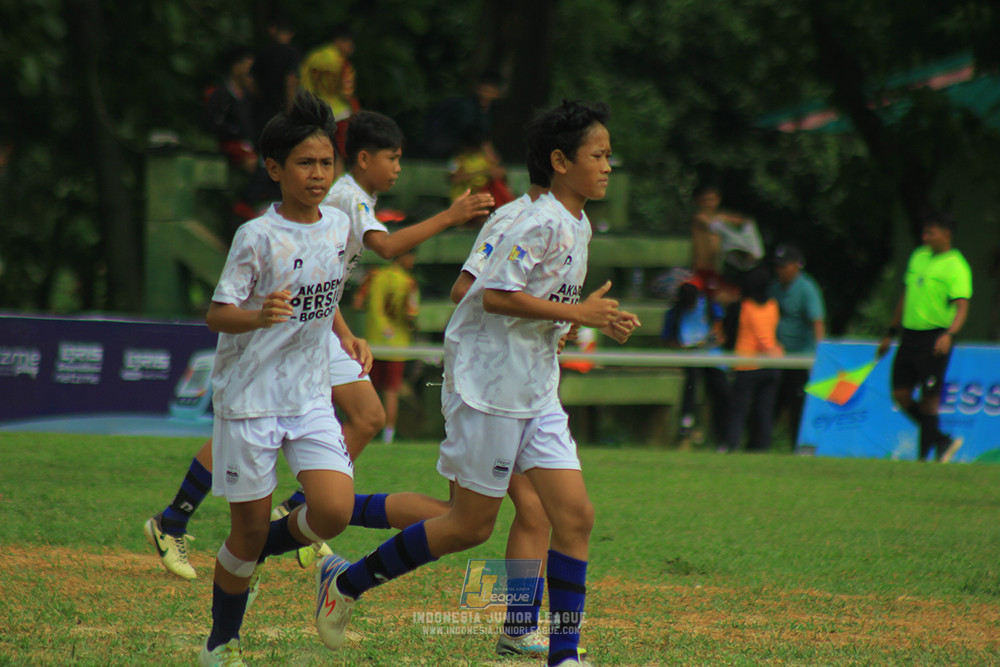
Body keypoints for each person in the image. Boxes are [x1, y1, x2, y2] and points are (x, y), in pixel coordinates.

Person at [313, 99, 639, 667]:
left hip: (535, 390)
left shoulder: (577, 223)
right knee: (467, 526)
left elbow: (538, 303)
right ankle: (346, 583)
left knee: (574, 516)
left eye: (609, 155)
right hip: (488, 387)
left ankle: (561, 654)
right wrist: (578, 315)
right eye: (599, 155)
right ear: (561, 161)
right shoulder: (534, 220)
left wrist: (582, 317)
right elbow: (489, 295)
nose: (608, 165)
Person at [144, 112, 492, 583]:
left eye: (401, 159)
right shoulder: (345, 197)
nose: (397, 168)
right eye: (392, 158)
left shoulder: (345, 200)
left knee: (368, 417)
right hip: (279, 332)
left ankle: (296, 509)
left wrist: (343, 331)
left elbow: (321, 280)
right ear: (364, 158)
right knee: (250, 418)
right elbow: (386, 249)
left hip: (316, 327)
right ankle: (178, 519)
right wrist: (450, 216)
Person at [197, 90, 355, 666]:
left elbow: (326, 287)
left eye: (326, 162)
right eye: (305, 164)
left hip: (309, 391)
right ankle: (221, 643)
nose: (318, 174)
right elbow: (218, 313)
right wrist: (258, 315)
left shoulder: (339, 225)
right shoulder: (256, 237)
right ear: (274, 169)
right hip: (250, 399)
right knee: (249, 531)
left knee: (334, 509)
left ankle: (256, 562)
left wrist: (344, 332)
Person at [877, 211, 972, 462]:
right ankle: (941, 441)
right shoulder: (918, 257)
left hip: (935, 338)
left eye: (931, 232)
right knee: (900, 394)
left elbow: (962, 305)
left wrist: (950, 334)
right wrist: (890, 331)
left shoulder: (956, 265)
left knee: (930, 401)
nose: (925, 237)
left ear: (946, 234)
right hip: (909, 336)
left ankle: (924, 458)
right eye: (925, 232)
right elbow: (906, 296)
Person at [661, 279, 729, 450]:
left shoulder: (709, 306)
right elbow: (668, 340)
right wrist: (683, 347)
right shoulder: (675, 312)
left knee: (720, 389)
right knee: (691, 381)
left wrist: (712, 339)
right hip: (689, 357)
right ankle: (687, 421)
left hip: (712, 356)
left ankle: (723, 437)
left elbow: (720, 332)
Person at [769, 243, 825, 448]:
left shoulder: (807, 289)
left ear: (795, 266)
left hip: (801, 358)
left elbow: (817, 322)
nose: (779, 270)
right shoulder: (775, 288)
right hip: (778, 357)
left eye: (783, 266)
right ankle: (760, 445)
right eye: (777, 266)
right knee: (772, 405)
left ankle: (798, 446)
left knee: (797, 407)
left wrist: (820, 356)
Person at [364, 248, 420, 444]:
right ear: (403, 256)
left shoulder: (376, 277)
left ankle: (368, 430)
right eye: (411, 256)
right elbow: (411, 313)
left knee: (370, 389)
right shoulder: (409, 282)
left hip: (374, 342)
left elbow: (366, 305)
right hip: (397, 346)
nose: (413, 261)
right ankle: (388, 435)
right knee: (391, 391)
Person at [725, 265, 783, 453]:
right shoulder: (773, 306)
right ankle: (761, 448)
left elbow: (729, 333)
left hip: (746, 364)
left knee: (738, 411)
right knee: (764, 411)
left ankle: (732, 445)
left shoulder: (743, 307)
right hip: (770, 364)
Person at [299, 25, 359, 177]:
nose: (351, 50)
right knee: (338, 155)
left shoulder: (313, 57)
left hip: (317, 114)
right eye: (350, 45)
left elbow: (305, 86)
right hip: (339, 115)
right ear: (340, 41)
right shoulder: (342, 62)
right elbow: (347, 93)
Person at [689, 184, 758, 301]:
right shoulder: (699, 218)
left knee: (735, 296)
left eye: (713, 199)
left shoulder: (720, 217)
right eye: (706, 201)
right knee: (726, 298)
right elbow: (712, 224)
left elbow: (743, 221)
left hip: (716, 272)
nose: (710, 204)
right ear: (699, 202)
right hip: (703, 271)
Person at [422, 72, 504, 161]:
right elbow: (471, 134)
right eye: (484, 90)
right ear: (477, 89)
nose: (486, 95)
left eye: (491, 92)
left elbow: (485, 137)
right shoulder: (466, 106)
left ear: (497, 94)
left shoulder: (489, 111)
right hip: (445, 147)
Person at [448, 125, 514, 214]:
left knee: (497, 183)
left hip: (482, 195)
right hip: (467, 198)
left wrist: (489, 151)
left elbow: (500, 171)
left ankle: (508, 211)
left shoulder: (483, 157)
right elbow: (454, 178)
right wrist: (483, 172)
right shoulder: (459, 159)